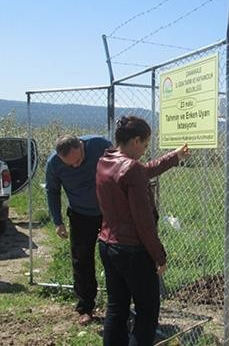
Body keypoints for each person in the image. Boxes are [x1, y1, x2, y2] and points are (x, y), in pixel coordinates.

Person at [96, 116, 189, 345]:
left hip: (107, 244)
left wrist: (174, 156)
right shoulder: (132, 168)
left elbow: (142, 171)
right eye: (145, 144)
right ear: (136, 140)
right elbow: (144, 222)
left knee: (117, 308)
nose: (146, 150)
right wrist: (159, 255)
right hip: (132, 251)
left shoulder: (105, 161)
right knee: (147, 313)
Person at [45, 134, 112, 325]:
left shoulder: (100, 145)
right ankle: (86, 307)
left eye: (78, 160)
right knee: (82, 261)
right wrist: (57, 221)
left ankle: (118, 305)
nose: (75, 166)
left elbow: (120, 168)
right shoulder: (54, 163)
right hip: (80, 215)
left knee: (115, 257)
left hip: (108, 212)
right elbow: (52, 190)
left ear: (81, 146)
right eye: (70, 164)